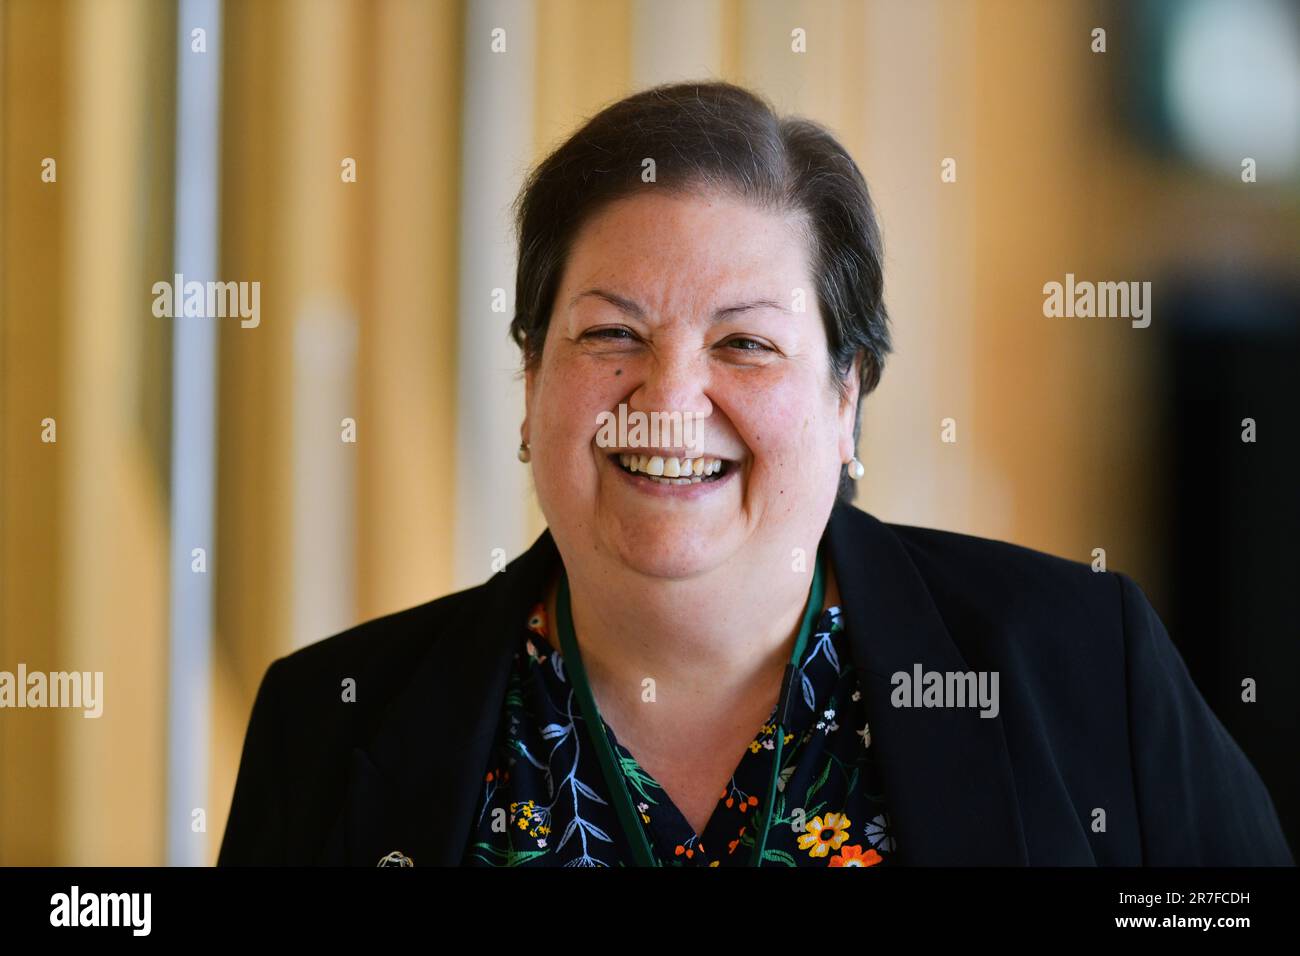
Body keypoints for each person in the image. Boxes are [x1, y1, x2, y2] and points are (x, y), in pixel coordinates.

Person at [217, 81, 1293, 867]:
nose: (669, 399)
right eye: (609, 335)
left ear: (845, 399)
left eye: (744, 344)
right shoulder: (333, 723)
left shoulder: (1077, 666)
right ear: (532, 373)